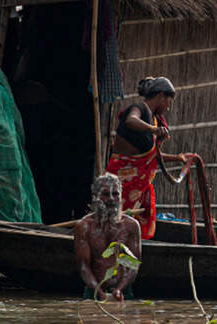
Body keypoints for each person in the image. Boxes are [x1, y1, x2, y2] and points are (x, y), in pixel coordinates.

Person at [107, 76, 193, 239]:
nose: (169, 106)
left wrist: (178, 158)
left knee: (134, 225)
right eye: (169, 101)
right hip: (121, 182)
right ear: (160, 95)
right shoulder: (139, 108)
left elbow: (151, 157)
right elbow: (131, 120)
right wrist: (154, 129)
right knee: (113, 224)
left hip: (136, 187)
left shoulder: (153, 119)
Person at [73, 173, 141, 301]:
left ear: (121, 196)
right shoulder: (84, 227)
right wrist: (98, 292)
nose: (111, 199)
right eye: (105, 194)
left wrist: (119, 290)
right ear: (95, 197)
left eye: (115, 194)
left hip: (124, 291)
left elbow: (133, 265)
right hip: (93, 291)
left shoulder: (131, 225)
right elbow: (83, 266)